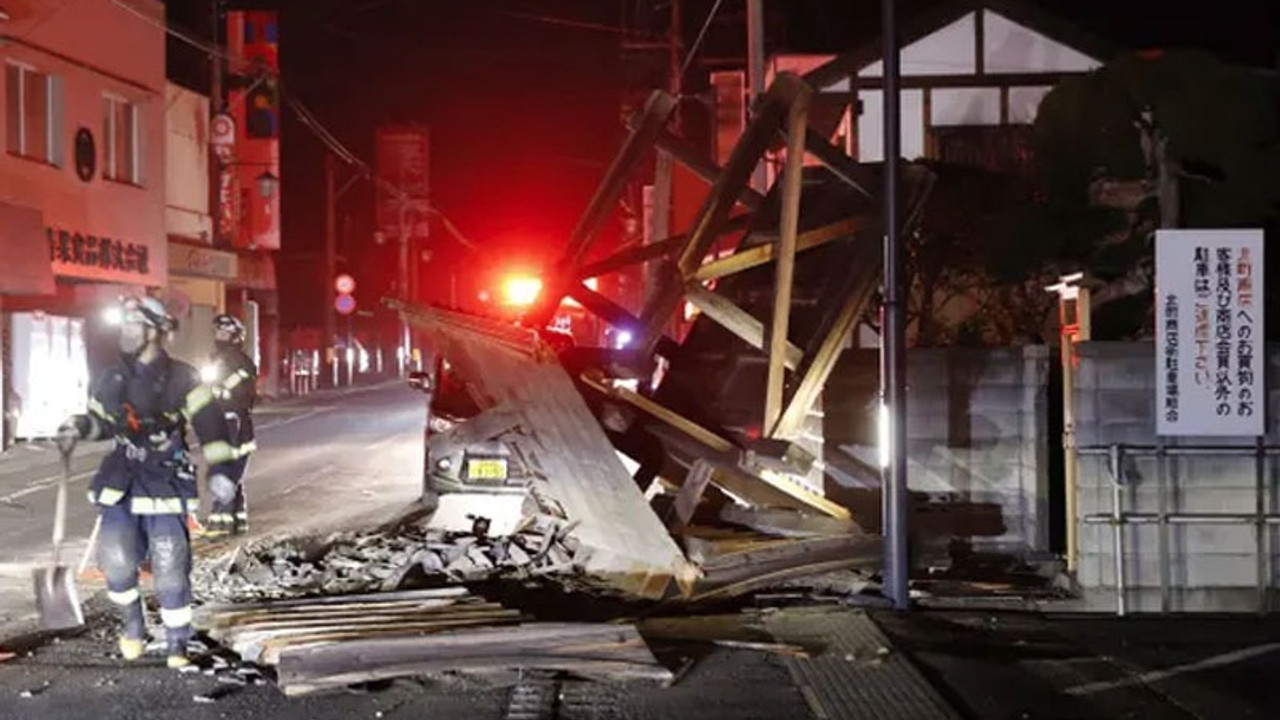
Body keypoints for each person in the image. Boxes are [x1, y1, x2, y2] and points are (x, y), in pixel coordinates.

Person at [57, 296, 242, 668]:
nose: (126, 334)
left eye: (133, 326)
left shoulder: (184, 378)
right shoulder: (111, 378)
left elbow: (211, 428)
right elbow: (103, 422)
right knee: (117, 561)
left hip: (165, 482)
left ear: (157, 331)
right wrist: (78, 426)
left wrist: (220, 471)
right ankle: (132, 625)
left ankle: (177, 643)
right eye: (123, 326)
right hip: (121, 479)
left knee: (171, 565)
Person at [202, 314, 259, 536]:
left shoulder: (241, 363)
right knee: (229, 471)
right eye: (218, 333)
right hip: (221, 423)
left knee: (225, 471)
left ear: (235, 337)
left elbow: (244, 398)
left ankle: (220, 520)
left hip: (234, 424)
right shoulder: (214, 360)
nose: (220, 337)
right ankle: (237, 519)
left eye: (225, 333)